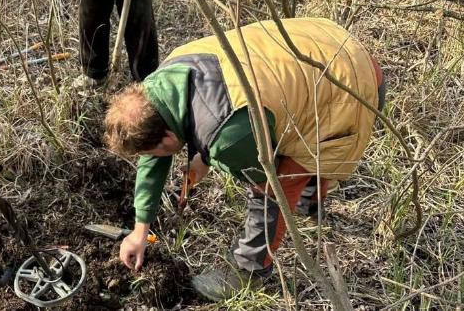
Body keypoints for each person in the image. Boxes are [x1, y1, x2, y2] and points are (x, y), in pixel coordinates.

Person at [103, 18, 386, 301]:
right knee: (285, 139)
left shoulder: (229, 139)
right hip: (323, 40)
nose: (153, 158)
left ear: (166, 139)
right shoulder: (162, 82)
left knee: (283, 180)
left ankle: (249, 270)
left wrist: (210, 152)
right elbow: (159, 151)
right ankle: (311, 199)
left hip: (349, 86)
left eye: (155, 150)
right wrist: (141, 230)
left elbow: (269, 188)